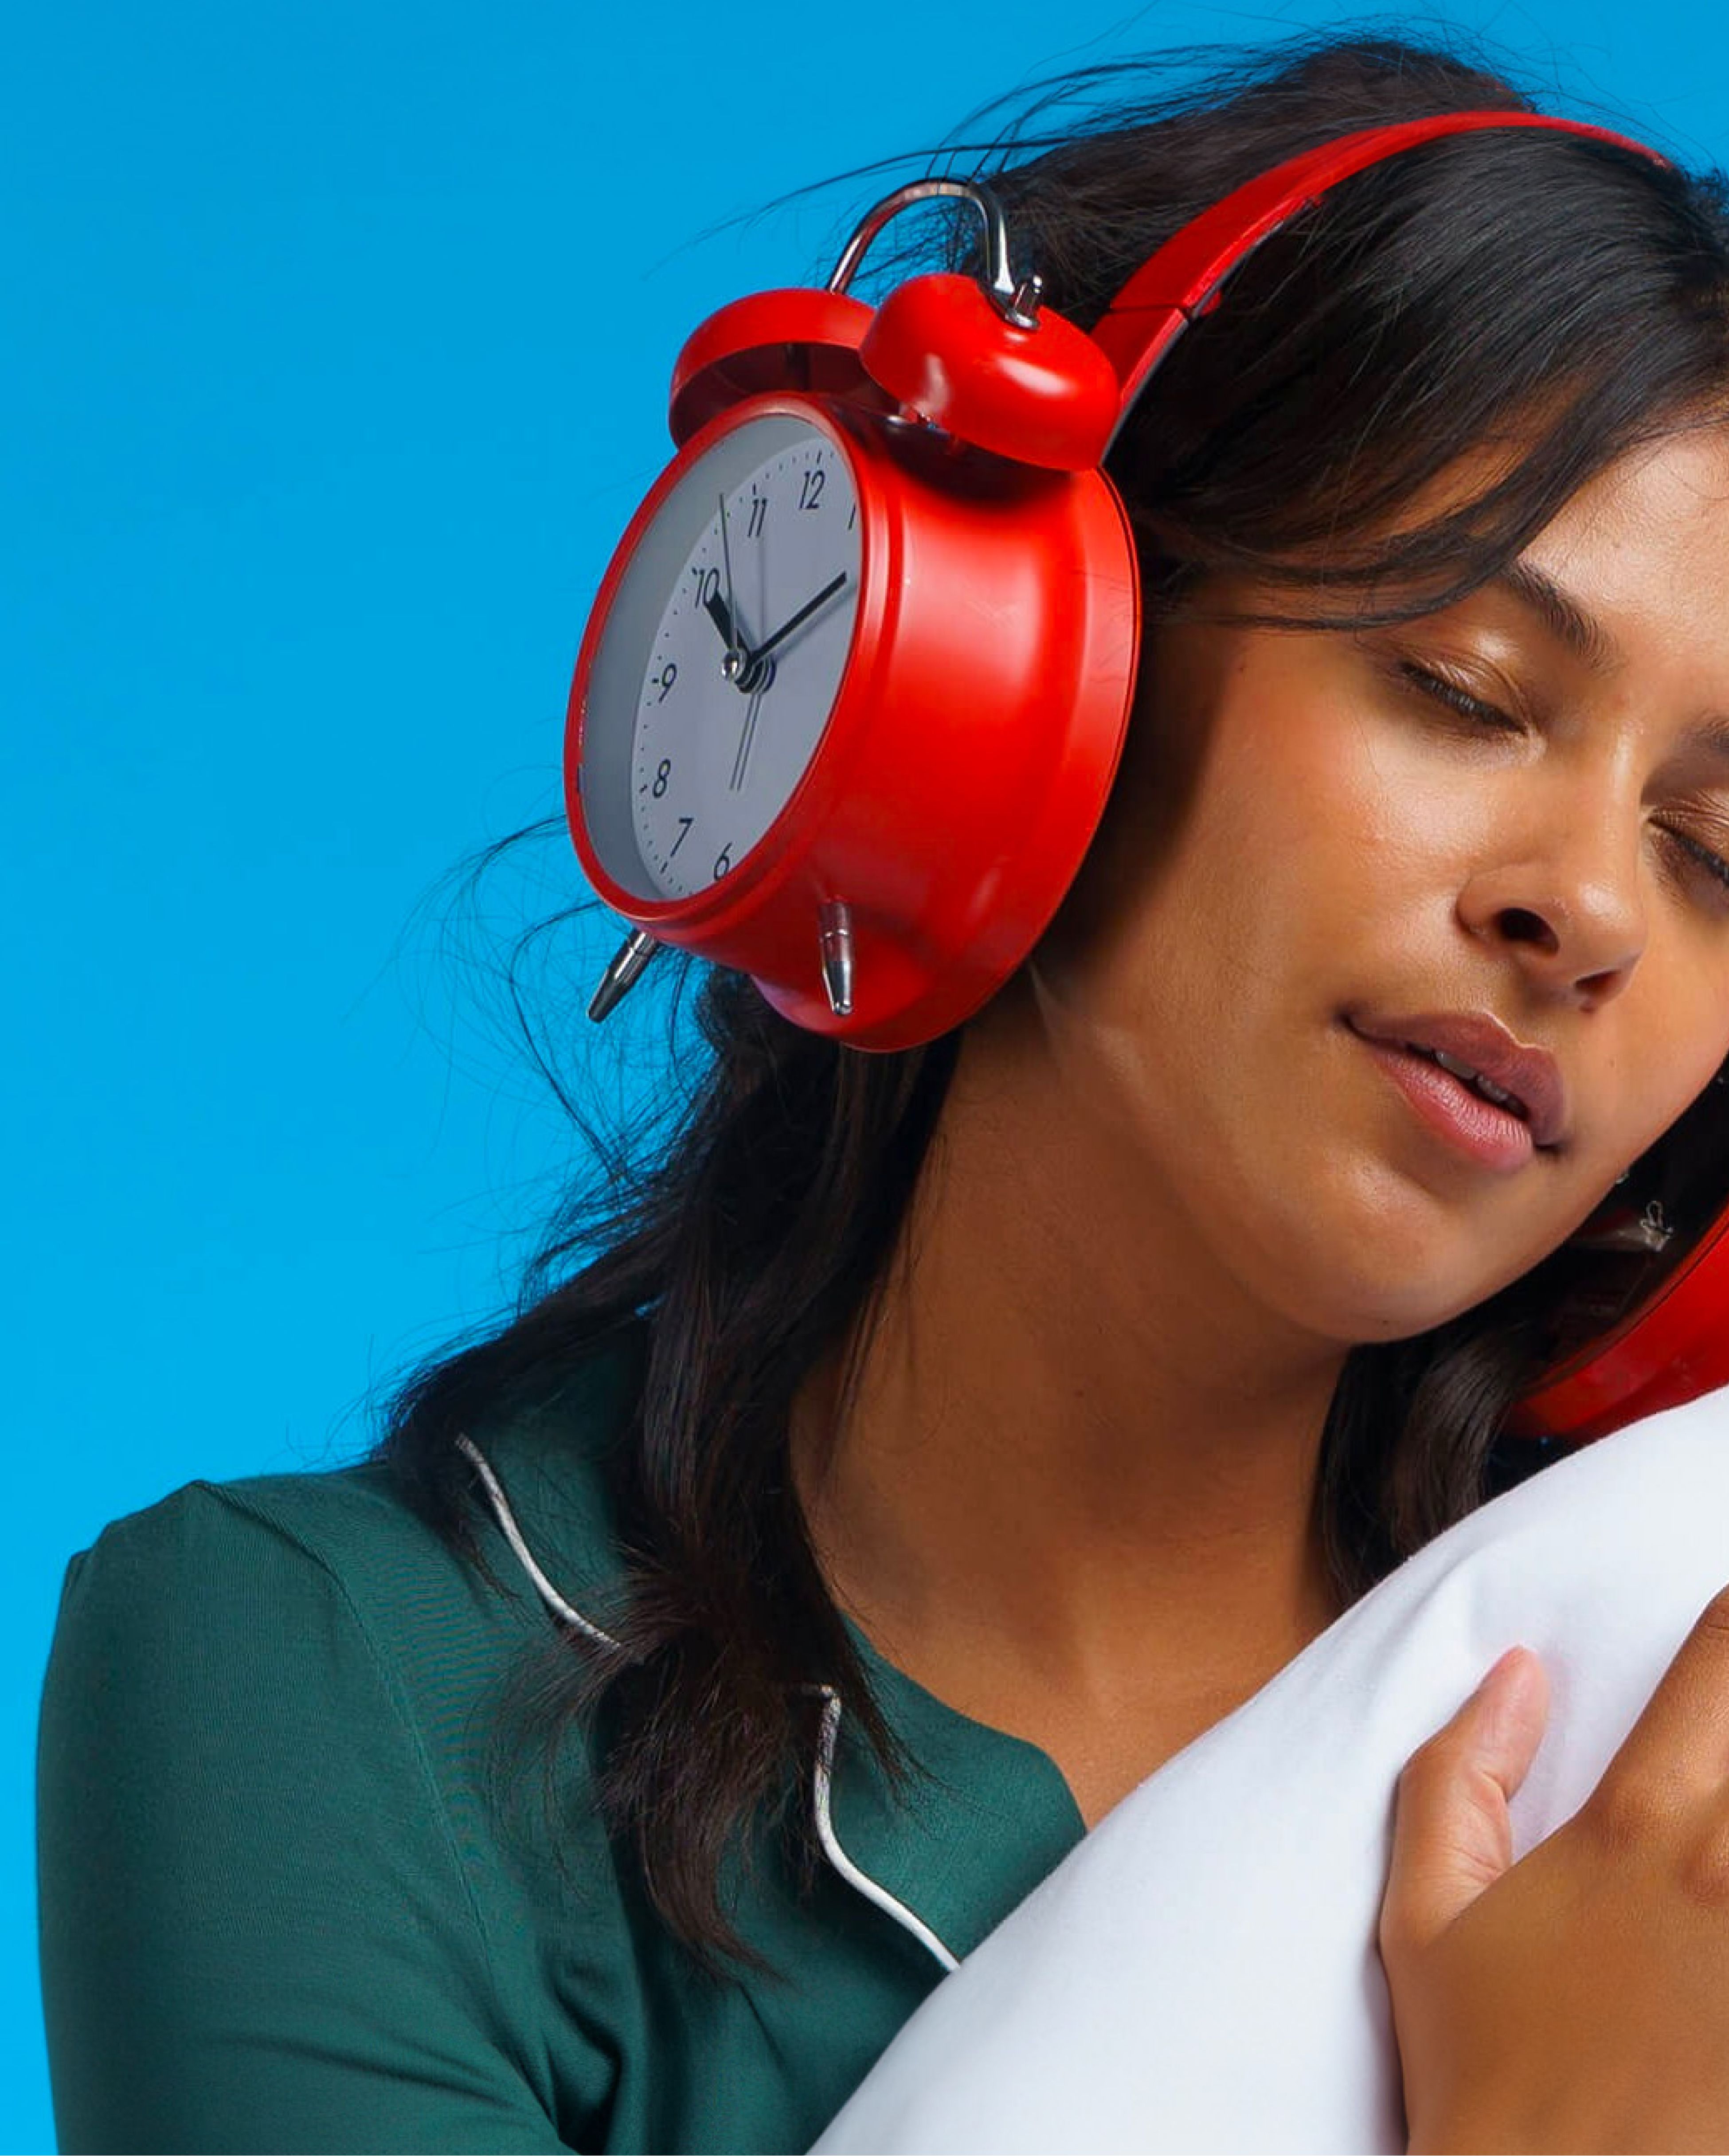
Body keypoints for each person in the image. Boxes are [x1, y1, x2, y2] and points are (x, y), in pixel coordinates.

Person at [35, 27, 1729, 2155]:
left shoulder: (1669, 1721)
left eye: (1719, 852)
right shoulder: (330, 1694)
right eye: (1463, 689)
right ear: (1026, 666)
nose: (1587, 909)